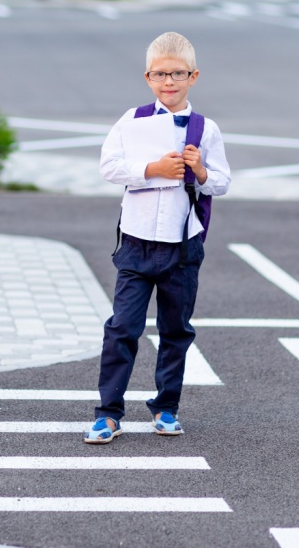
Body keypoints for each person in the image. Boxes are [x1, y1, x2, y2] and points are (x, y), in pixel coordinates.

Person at [85, 32, 231, 444]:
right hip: (135, 241)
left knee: (176, 329)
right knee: (122, 328)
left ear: (193, 76)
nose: (169, 81)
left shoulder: (206, 129)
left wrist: (200, 171)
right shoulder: (132, 120)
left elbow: (222, 182)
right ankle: (108, 413)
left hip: (182, 245)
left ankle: (166, 407)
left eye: (178, 73)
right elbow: (109, 167)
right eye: (160, 74)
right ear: (148, 77)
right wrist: (152, 169)